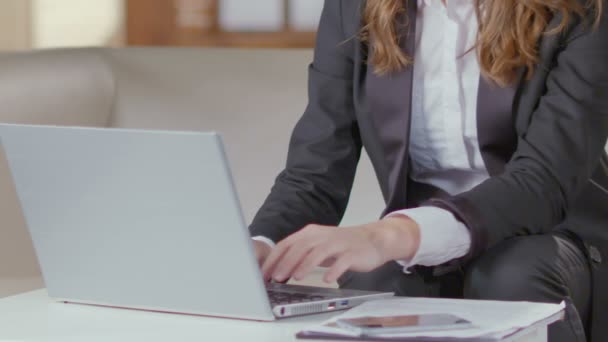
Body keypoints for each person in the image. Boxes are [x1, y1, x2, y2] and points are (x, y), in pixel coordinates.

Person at [249, 1, 608, 341]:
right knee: (377, 280)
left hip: (557, 234)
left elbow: (541, 182)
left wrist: (387, 236)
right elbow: (315, 171)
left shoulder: (579, 10)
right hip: (423, 235)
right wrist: (258, 246)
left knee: (511, 274)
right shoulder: (353, 6)